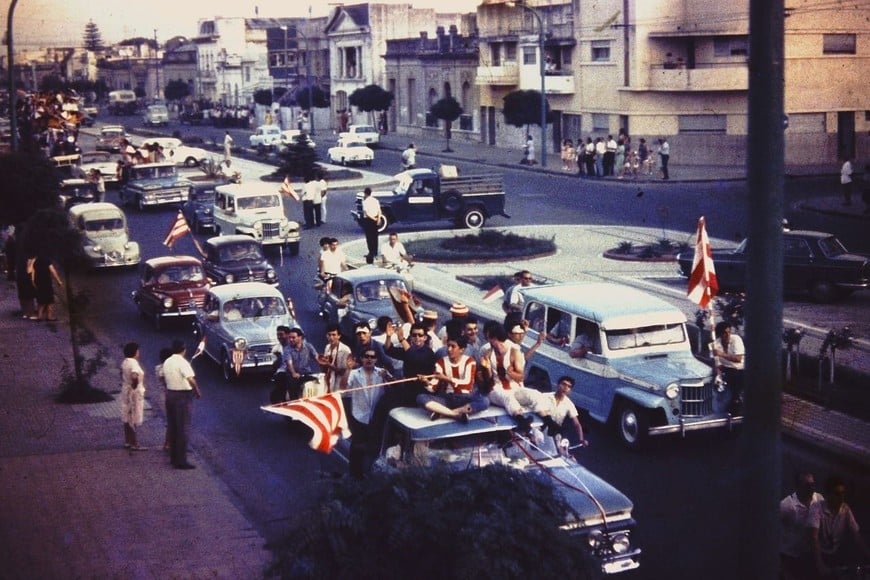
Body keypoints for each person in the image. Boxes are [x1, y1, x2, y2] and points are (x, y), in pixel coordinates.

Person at [479, 321, 552, 434]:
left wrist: (511, 374)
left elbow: (521, 376)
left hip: (514, 387)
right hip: (496, 389)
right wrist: (486, 368)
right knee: (507, 397)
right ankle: (522, 421)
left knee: (535, 394)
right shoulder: (486, 352)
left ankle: (549, 421)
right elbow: (487, 381)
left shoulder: (513, 350)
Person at [809, 475, 870, 577]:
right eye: (837, 494)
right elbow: (813, 538)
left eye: (843, 493)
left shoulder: (845, 509)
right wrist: (820, 565)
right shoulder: (817, 508)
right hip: (818, 554)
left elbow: (856, 535)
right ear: (827, 495)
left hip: (835, 554)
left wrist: (868, 554)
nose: (841, 497)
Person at [418, 336, 489, 422]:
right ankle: (455, 414)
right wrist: (426, 382)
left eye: (453, 346)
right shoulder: (441, 362)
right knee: (420, 398)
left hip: (465, 398)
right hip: (448, 398)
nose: (449, 349)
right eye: (448, 346)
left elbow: (467, 384)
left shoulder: (469, 361)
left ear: (462, 350)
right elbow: (433, 388)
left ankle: (443, 413)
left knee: (485, 401)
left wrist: (446, 378)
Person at [346, 347, 390, 478]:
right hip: (359, 415)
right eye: (366, 356)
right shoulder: (354, 374)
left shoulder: (381, 373)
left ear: (376, 359)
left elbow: (392, 388)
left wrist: (386, 378)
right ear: (361, 359)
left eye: (372, 357)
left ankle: (368, 475)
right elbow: (343, 387)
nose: (369, 359)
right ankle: (354, 474)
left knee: (373, 447)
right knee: (357, 447)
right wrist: (348, 369)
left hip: (376, 417)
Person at [163, 339, 201, 470]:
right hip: (182, 397)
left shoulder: (167, 361)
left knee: (173, 427)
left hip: (170, 394)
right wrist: (197, 391)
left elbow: (162, 376)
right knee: (183, 428)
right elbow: (191, 379)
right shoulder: (183, 362)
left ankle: (173, 457)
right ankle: (181, 461)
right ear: (183, 349)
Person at [780, 470, 824, 580]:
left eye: (813, 484)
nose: (811, 488)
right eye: (807, 485)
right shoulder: (787, 505)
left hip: (808, 556)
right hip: (790, 556)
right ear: (798, 486)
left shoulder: (818, 499)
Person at [277, 327, 321, 401]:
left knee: (317, 384)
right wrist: (294, 373)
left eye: (293, 337)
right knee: (293, 389)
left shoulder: (308, 346)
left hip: (306, 372)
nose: (291, 340)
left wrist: (323, 364)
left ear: (300, 337)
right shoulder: (287, 349)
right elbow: (289, 363)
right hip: (293, 375)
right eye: (290, 337)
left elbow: (317, 358)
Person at [543, 376, 588, 447]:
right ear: (557, 385)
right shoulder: (545, 396)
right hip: (540, 427)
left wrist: (581, 439)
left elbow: (576, 424)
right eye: (563, 384)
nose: (566, 388)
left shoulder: (569, 404)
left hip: (554, 432)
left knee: (560, 452)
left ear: (570, 390)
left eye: (569, 386)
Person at [712, 321, 745, 413]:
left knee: (735, 385)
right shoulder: (715, 344)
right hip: (726, 369)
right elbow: (715, 362)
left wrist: (721, 354)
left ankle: (736, 402)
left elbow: (738, 359)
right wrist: (718, 374)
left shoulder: (736, 339)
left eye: (729, 332)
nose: (727, 335)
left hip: (739, 369)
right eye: (724, 333)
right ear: (719, 334)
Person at [120, 342, 147, 451]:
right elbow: (135, 376)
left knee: (126, 414)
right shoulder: (134, 363)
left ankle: (127, 441)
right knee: (134, 416)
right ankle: (134, 443)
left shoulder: (125, 362)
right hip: (134, 392)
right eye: (137, 350)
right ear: (135, 352)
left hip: (125, 390)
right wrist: (135, 386)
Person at [319, 324, 351, 394]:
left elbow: (344, 372)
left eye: (334, 335)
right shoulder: (327, 347)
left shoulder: (345, 350)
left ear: (339, 336)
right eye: (329, 335)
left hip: (340, 384)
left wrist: (328, 365)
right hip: (329, 381)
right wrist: (322, 364)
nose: (331, 337)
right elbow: (325, 368)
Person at [32, 253, 63, 322]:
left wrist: (33, 282)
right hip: (46, 282)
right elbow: (52, 270)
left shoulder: (35, 260)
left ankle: (39, 317)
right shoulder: (47, 260)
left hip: (38, 282)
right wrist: (58, 280)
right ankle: (49, 316)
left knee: (40, 300)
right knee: (49, 300)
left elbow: (33, 272)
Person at [155, 347, 173, 453]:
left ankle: (168, 442)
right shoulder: (162, 370)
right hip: (166, 396)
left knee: (171, 421)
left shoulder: (159, 368)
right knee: (171, 421)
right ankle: (168, 443)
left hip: (164, 395)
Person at [361, 187, 382, 264]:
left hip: (369, 220)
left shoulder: (365, 202)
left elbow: (366, 213)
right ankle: (375, 252)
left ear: (365, 193)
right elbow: (379, 210)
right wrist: (378, 219)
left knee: (369, 236)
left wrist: (373, 219)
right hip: (376, 218)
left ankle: (371, 252)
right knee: (375, 236)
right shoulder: (376, 200)